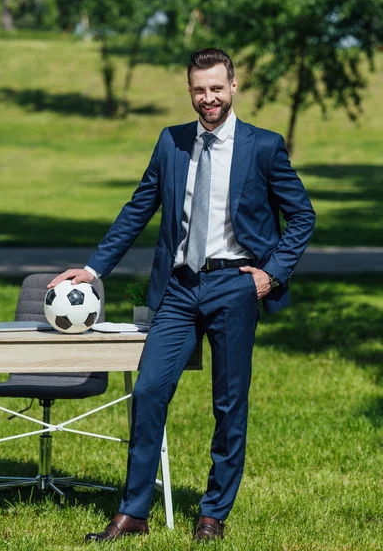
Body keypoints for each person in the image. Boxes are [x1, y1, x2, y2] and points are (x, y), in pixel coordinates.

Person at [48, 48, 315, 543]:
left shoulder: (263, 146)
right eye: (199, 89)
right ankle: (133, 513)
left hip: (236, 285)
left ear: (233, 87)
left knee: (229, 404)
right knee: (149, 391)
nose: (208, 97)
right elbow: (138, 209)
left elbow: (303, 216)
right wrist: (90, 270)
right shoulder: (171, 143)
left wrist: (271, 275)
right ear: (189, 90)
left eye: (216, 87)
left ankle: (213, 513)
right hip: (177, 289)